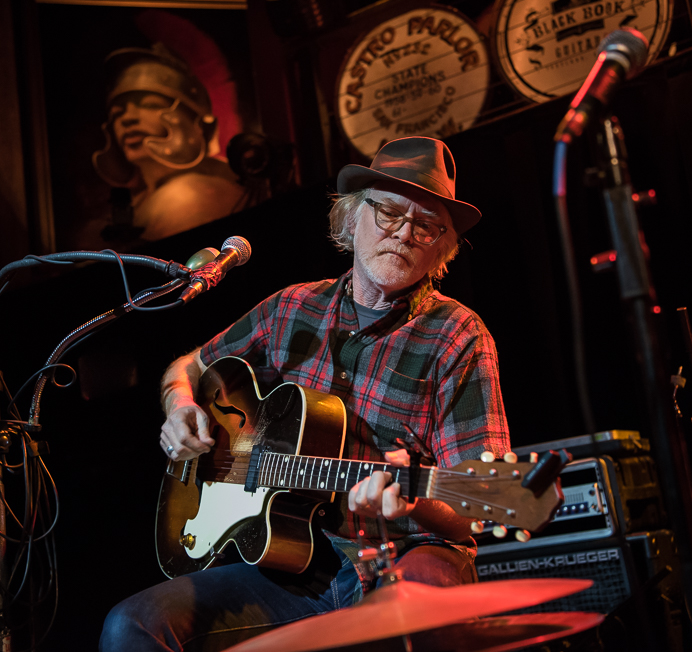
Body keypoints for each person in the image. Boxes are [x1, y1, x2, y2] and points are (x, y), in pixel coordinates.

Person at [99, 136, 510, 652]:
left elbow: (478, 505)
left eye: (427, 225)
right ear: (352, 218)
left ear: (441, 247)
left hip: (408, 552)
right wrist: (179, 405)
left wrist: (411, 500)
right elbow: (187, 367)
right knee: (131, 626)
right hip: (289, 564)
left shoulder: (458, 335)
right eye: (389, 213)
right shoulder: (291, 308)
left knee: (405, 614)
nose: (405, 233)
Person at [90, 43, 247, 242]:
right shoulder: (140, 201)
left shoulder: (188, 195)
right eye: (117, 113)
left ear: (195, 122)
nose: (127, 118)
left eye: (150, 105)